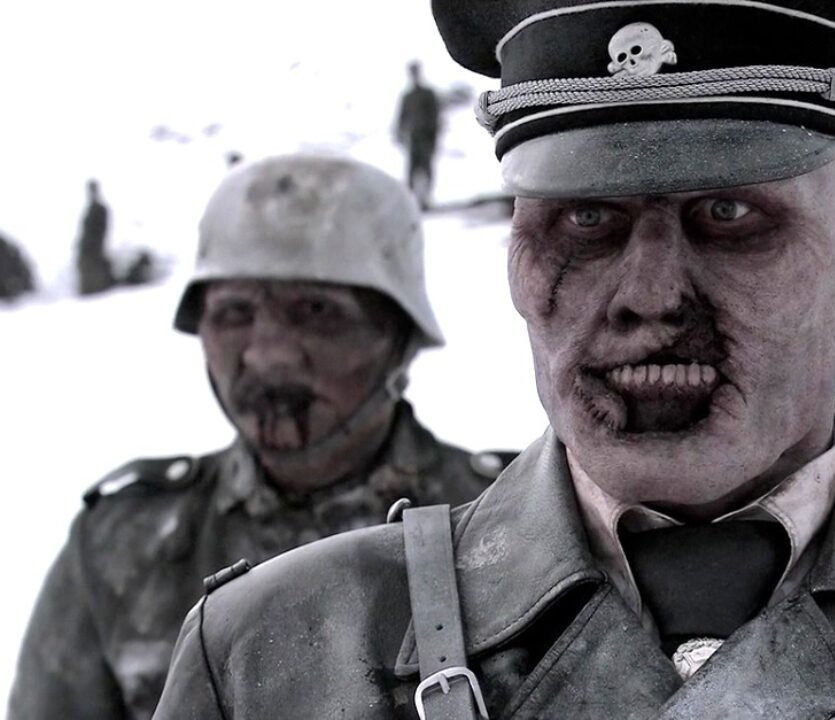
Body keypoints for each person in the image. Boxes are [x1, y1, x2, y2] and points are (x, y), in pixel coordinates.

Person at [155, 5, 835, 718]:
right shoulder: (276, 661)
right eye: (584, 221)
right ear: (514, 257)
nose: (647, 294)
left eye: (728, 216)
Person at [8, 154, 502, 720]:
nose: (267, 355)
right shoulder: (123, 545)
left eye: (315, 310)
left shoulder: (507, 521)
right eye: (234, 313)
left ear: (400, 337)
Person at [395, 60, 441, 211]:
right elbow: (402, 117)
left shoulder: (428, 94)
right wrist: (399, 133)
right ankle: (410, 203)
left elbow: (435, 116)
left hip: (427, 138)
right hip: (412, 138)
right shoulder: (407, 96)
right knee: (411, 170)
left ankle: (425, 200)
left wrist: (433, 135)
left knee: (426, 169)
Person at [77, 178, 113, 295]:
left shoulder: (100, 209)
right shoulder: (91, 209)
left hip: (95, 250)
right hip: (88, 251)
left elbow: (100, 230)